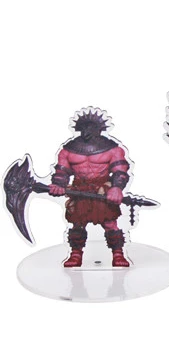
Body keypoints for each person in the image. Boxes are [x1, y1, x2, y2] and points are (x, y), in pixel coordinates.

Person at [48, 108, 131, 267]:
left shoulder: (112, 149)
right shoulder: (68, 150)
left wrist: (116, 188)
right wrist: (58, 185)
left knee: (110, 223)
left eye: (91, 127)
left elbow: (120, 171)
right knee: (77, 224)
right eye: (84, 127)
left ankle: (118, 254)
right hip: (79, 191)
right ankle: (75, 254)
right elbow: (62, 171)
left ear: (100, 129)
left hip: (102, 191)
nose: (87, 131)